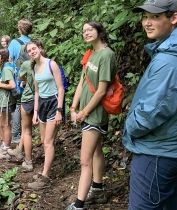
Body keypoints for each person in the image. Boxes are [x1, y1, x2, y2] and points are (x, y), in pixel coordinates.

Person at [123, 0, 177, 209]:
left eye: (155, 17)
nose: (147, 23)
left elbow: (152, 111)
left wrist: (130, 127)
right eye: (145, 17)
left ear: (174, 18)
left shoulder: (169, 62)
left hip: (159, 151)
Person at [66, 21, 115, 210]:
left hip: (95, 114)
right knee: (96, 151)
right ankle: (97, 188)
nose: (86, 33)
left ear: (99, 31)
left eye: (90, 29)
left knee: (84, 161)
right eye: (83, 31)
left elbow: (102, 91)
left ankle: (79, 204)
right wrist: (73, 108)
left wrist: (84, 112)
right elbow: (81, 83)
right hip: (85, 112)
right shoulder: (91, 54)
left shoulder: (107, 55)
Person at [26, 39, 65, 189]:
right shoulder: (34, 67)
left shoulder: (51, 64)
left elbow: (61, 88)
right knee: (43, 140)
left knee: (48, 142)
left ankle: (45, 176)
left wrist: (59, 111)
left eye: (34, 48)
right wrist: (35, 112)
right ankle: (46, 170)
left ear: (40, 48)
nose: (32, 52)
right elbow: (36, 91)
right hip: (42, 103)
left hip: (54, 103)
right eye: (29, 51)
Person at [7, 19, 33, 144]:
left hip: (19, 77)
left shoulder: (14, 42)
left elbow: (10, 59)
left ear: (20, 29)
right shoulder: (33, 42)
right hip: (32, 78)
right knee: (28, 104)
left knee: (18, 105)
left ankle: (16, 135)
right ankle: (27, 133)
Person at [7, 60, 34, 171]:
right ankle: (20, 149)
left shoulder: (27, 64)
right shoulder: (50, 63)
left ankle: (28, 161)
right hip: (45, 99)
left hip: (29, 98)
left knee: (26, 130)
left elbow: (20, 78)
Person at [0, 48, 17, 159]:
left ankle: (6, 148)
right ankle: (4, 144)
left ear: (2, 57)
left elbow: (12, 85)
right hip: (2, 100)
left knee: (5, 124)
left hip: (6, 101)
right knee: (0, 123)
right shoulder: (5, 67)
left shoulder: (7, 69)